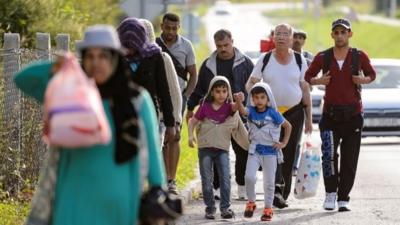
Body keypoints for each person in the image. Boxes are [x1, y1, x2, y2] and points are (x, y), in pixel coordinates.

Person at [18, 25, 166, 225]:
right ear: (83, 60)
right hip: (72, 202)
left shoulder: (137, 101)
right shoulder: (71, 96)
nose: (96, 63)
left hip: (120, 207)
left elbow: (153, 157)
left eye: (103, 56)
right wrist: (56, 66)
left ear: (115, 59)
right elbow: (23, 80)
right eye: (90, 56)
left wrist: (158, 191)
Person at [305, 18, 376, 212]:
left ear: (349, 34)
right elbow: (307, 76)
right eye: (336, 32)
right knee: (328, 155)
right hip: (330, 117)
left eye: (343, 32)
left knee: (349, 159)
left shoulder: (359, 56)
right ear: (332, 35)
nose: (339, 35)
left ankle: (344, 197)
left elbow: (372, 74)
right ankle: (330, 194)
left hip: (353, 116)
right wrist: (318, 80)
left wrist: (363, 79)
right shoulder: (323, 56)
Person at [246, 23, 313, 208]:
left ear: (292, 39)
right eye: (278, 34)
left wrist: (309, 118)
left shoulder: (300, 60)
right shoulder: (265, 58)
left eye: (285, 34)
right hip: (270, 113)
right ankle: (275, 189)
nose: (281, 37)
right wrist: (255, 104)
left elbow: (305, 88)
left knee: (289, 152)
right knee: (273, 150)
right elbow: (251, 83)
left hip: (294, 112)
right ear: (273, 38)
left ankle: (282, 193)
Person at [186, 29, 254, 200]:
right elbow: (200, 89)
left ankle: (242, 187)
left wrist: (254, 111)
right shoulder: (209, 64)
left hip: (238, 114)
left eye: (226, 45)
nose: (223, 49)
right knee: (216, 151)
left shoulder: (245, 62)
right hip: (214, 116)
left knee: (243, 150)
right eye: (219, 46)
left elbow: (255, 88)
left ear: (232, 41)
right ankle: (216, 188)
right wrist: (190, 107)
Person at [188, 76, 248, 220]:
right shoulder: (205, 107)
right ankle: (210, 208)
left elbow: (238, 109)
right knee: (206, 180)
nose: (221, 94)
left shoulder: (229, 107)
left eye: (224, 91)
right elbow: (192, 121)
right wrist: (190, 136)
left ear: (228, 92)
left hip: (222, 149)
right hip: (205, 148)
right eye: (218, 91)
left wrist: (239, 100)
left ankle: (225, 208)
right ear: (211, 92)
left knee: (225, 180)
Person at [235, 83, 291, 221]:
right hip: (255, 151)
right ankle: (251, 202)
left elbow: (287, 126)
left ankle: (268, 208)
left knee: (269, 182)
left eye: (262, 97)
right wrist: (238, 101)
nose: (259, 100)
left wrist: (283, 143)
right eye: (256, 97)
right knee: (248, 177)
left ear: (268, 98)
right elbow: (242, 112)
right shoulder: (251, 111)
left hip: (270, 152)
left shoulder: (273, 113)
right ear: (252, 99)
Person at [117, 17, 176, 145]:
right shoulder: (115, 58)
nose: (129, 50)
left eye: (133, 45)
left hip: (148, 113)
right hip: (121, 115)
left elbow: (163, 90)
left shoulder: (154, 56)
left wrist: (170, 124)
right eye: (126, 45)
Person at [157, 12, 198, 193]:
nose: (171, 31)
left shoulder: (186, 46)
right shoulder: (154, 45)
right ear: (161, 26)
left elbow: (193, 74)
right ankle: (161, 179)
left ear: (178, 27)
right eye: (168, 28)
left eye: (174, 28)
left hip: (178, 98)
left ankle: (171, 180)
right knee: (160, 137)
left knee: (174, 136)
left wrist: (187, 94)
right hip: (157, 98)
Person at [139, 18, 183, 147]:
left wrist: (176, 122)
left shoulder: (162, 58)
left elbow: (174, 92)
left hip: (161, 118)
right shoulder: (129, 59)